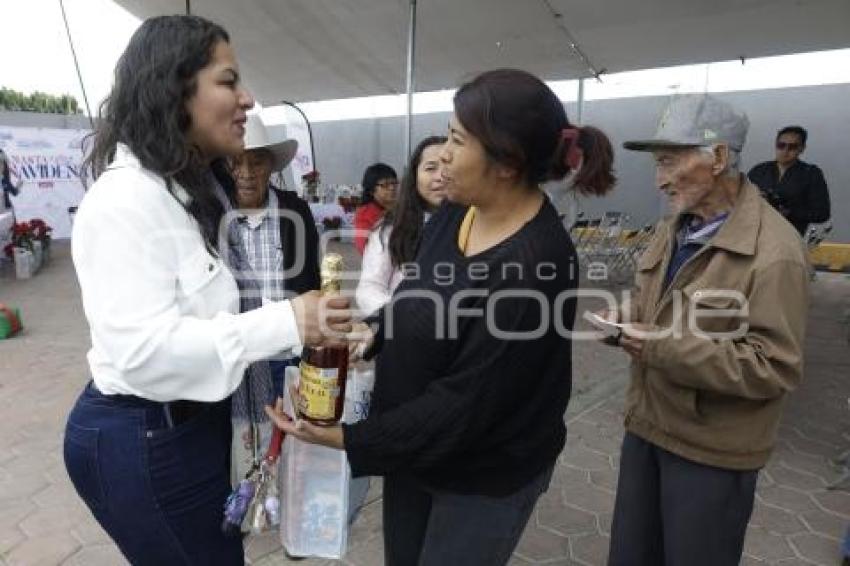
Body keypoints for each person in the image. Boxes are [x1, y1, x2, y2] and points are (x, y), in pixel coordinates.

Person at [267, 68, 616, 565]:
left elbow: (465, 405)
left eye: (457, 139)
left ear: (507, 162)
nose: (443, 153)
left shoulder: (534, 264)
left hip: (481, 474)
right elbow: (419, 294)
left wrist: (346, 439)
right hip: (415, 451)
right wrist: (373, 333)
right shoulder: (460, 211)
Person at [62, 15, 350, 565]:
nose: (247, 98)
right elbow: (143, 354)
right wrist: (289, 321)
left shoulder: (185, 192)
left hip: (187, 427)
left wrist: (310, 329)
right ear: (175, 87)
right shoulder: (126, 200)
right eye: (228, 80)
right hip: (144, 435)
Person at [606, 94, 809, 566]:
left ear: (718, 158)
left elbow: (773, 366)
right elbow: (653, 297)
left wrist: (663, 348)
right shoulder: (672, 227)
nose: (659, 179)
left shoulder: (775, 251)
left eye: (669, 162)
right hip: (648, 427)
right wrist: (625, 311)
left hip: (711, 452)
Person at [224, 113, 321, 483]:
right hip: (238, 349)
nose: (246, 172)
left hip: (287, 349)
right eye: (236, 161)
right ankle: (247, 500)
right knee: (241, 435)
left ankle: (287, 503)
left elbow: (310, 278)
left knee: (292, 434)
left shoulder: (294, 210)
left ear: (270, 166)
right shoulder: (213, 214)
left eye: (256, 161)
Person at [356, 135, 447, 314]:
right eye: (431, 168)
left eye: (449, 167)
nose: (441, 177)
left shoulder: (478, 224)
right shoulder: (392, 227)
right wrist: (403, 315)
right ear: (415, 175)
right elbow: (369, 288)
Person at [748, 125, 831, 236]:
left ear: (802, 148)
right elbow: (741, 202)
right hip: (757, 236)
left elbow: (822, 214)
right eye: (781, 145)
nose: (785, 151)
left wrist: (789, 212)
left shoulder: (811, 174)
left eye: (792, 147)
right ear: (775, 145)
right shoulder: (759, 171)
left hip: (790, 239)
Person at [353, 162, 397, 254]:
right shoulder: (365, 214)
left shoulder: (398, 208)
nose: (392, 188)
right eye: (385, 185)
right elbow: (363, 246)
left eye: (394, 183)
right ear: (371, 190)